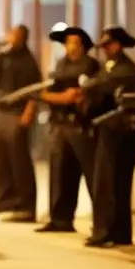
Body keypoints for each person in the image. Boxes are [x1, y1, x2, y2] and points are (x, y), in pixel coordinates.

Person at [78, 26, 135, 247]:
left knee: (108, 184)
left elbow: (98, 86)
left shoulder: (125, 70)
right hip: (110, 131)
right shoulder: (112, 67)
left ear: (118, 45)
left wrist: (85, 85)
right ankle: (118, 232)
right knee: (114, 184)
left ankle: (105, 231)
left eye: (109, 45)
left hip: (120, 132)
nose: (106, 50)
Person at [35, 26, 100, 233]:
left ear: (83, 46)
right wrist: (61, 98)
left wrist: (66, 97)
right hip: (60, 125)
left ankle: (101, 223)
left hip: (80, 126)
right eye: (67, 42)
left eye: (74, 42)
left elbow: (82, 95)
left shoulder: (91, 65)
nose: (69, 47)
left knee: (92, 175)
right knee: (60, 174)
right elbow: (46, 93)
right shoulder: (61, 64)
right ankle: (60, 219)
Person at [0, 24, 41, 221]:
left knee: (20, 161)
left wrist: (29, 113)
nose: (11, 38)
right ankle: (4, 200)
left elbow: (36, 90)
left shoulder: (28, 62)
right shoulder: (3, 56)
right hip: (2, 113)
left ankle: (25, 205)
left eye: (15, 35)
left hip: (18, 114)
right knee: (2, 160)